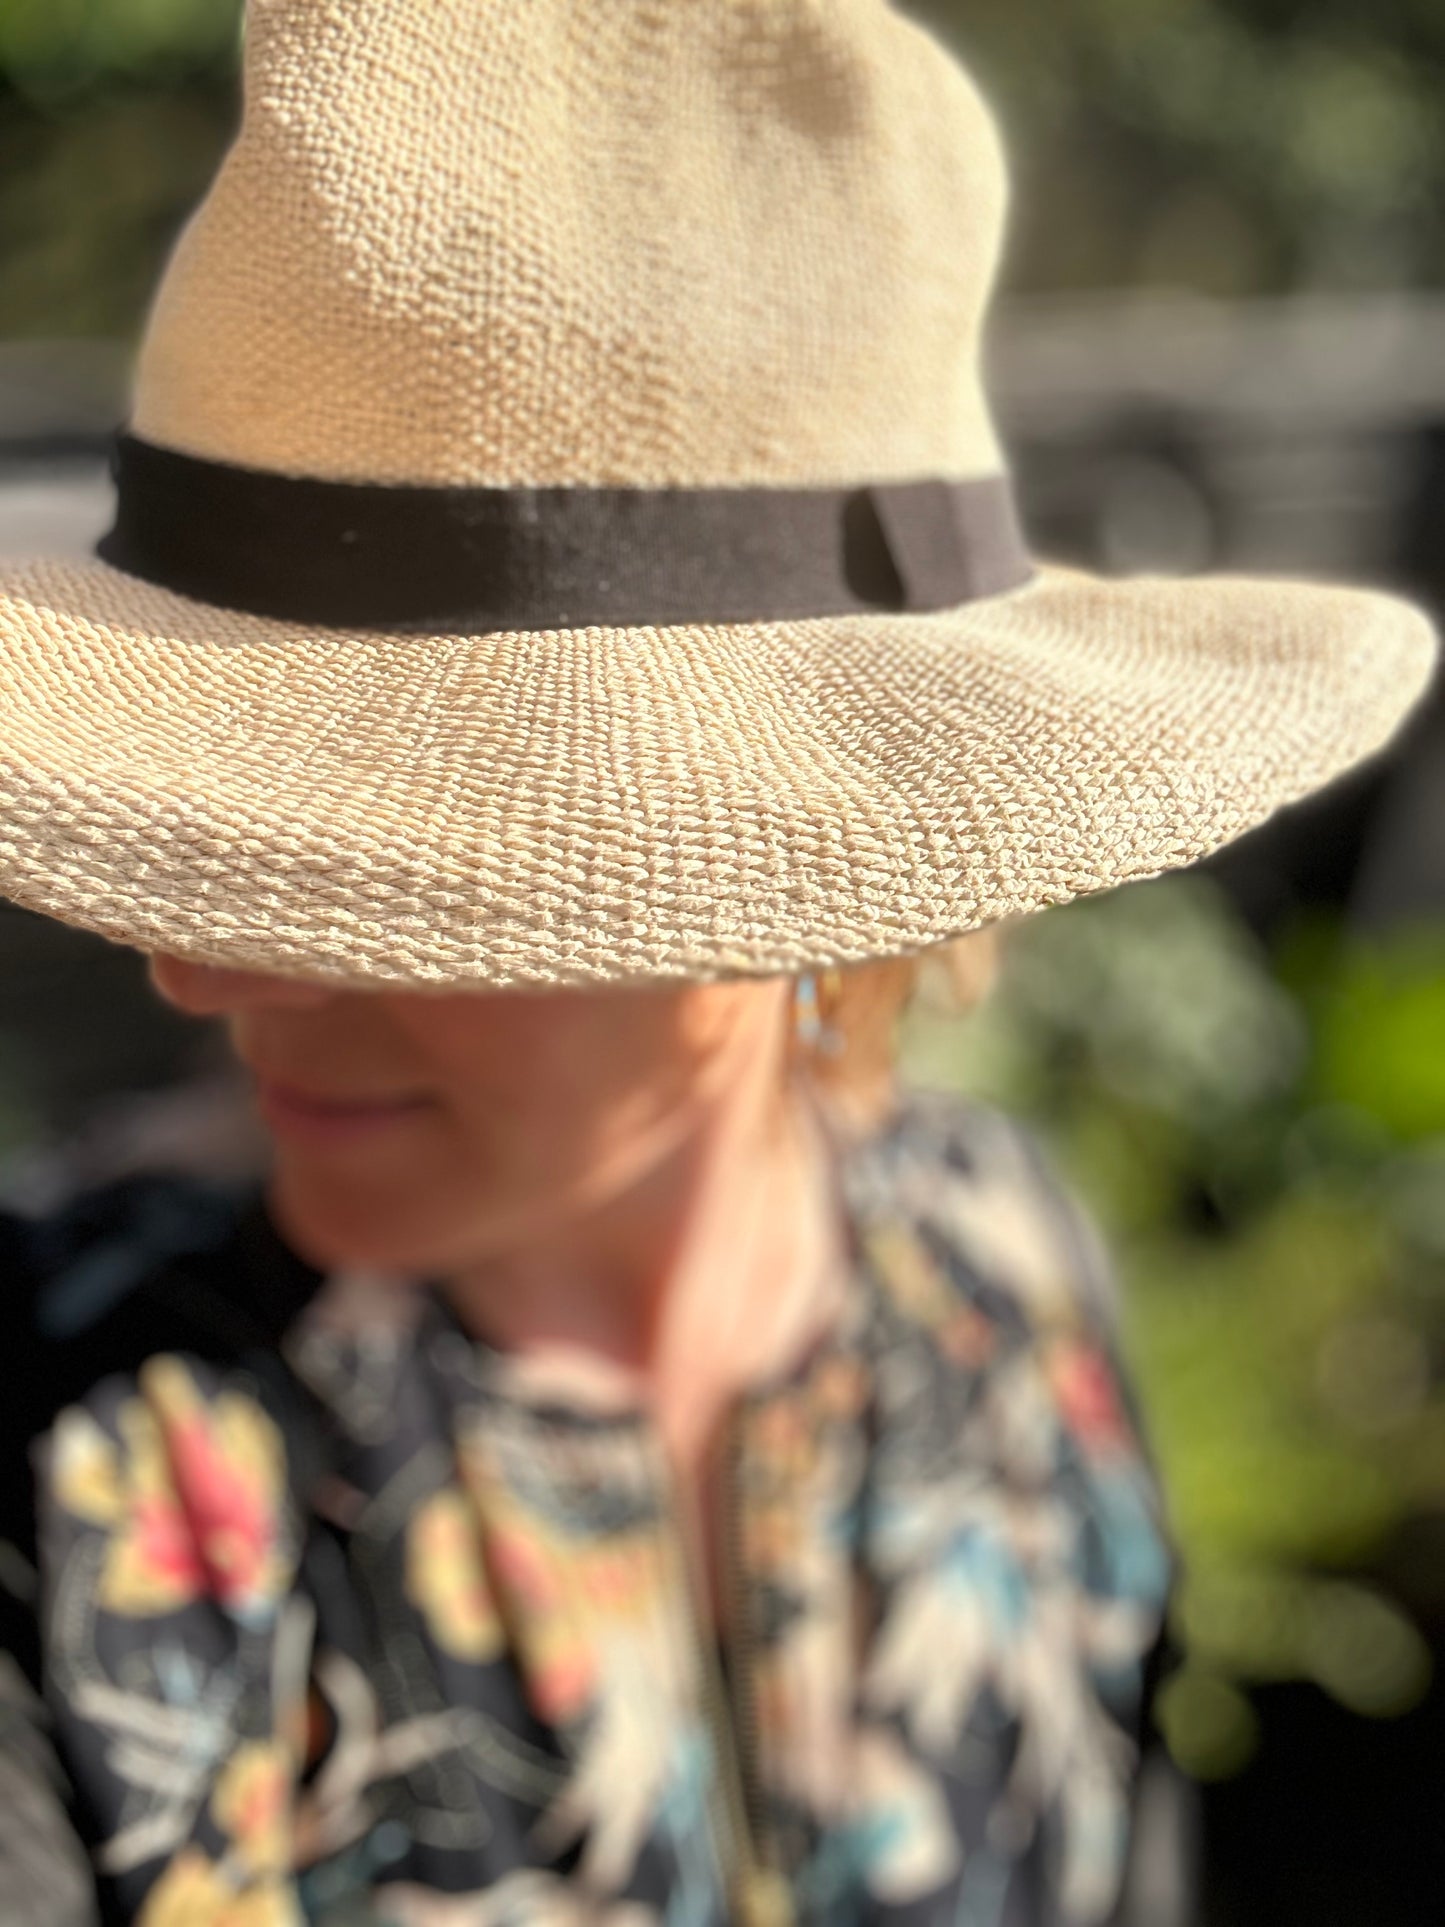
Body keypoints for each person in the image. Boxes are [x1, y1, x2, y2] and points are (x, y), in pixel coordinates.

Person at [0, 3, 1433, 1923]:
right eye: (247, 854)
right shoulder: (76, 1470)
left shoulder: (997, 1285)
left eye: (411, 877)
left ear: (807, 900)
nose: (203, 971)